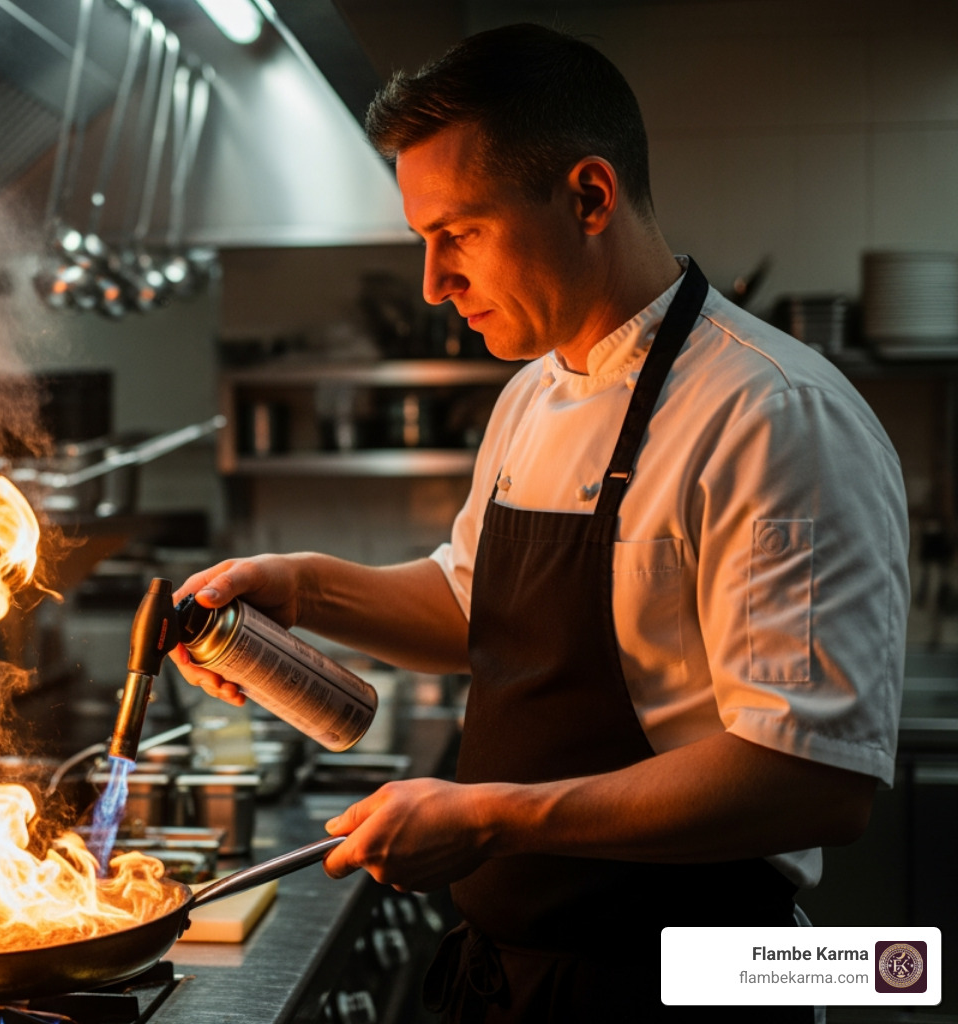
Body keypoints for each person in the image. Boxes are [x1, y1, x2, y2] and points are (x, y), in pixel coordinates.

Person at [169, 23, 908, 1023]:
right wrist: (303, 587)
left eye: (458, 233)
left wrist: (495, 818)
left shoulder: (770, 413)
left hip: (692, 984)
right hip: (511, 977)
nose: (433, 283)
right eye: (421, 239)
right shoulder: (532, 394)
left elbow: (813, 781)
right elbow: (476, 603)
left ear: (589, 196)